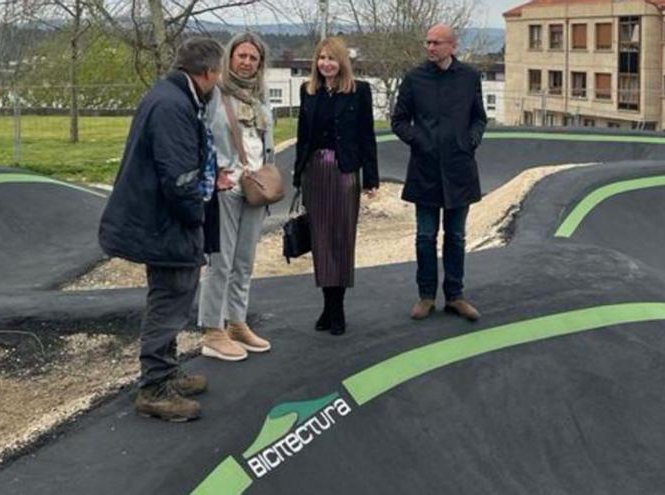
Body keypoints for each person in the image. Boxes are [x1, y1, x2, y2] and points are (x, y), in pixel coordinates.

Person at [98, 37, 224, 422]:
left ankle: (167, 370)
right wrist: (195, 217)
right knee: (170, 298)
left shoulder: (170, 96)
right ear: (207, 73)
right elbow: (180, 176)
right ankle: (154, 387)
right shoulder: (173, 106)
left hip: (161, 218)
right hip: (166, 223)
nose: (218, 81)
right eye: (218, 74)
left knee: (173, 295)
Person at [391, 24, 487, 322]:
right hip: (425, 171)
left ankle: (455, 296)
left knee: (456, 237)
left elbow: (479, 118)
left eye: (436, 42)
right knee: (425, 236)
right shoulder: (414, 79)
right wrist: (419, 141)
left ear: (452, 46)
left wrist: (470, 142)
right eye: (428, 42)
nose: (430, 47)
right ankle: (426, 296)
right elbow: (398, 120)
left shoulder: (470, 77)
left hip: (460, 170)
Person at [294, 36, 379, 336]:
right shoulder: (308, 91)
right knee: (320, 240)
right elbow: (303, 135)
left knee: (341, 238)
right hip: (315, 171)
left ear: (342, 61)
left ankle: (338, 308)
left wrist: (371, 178)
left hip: (344, 171)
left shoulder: (359, 91)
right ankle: (326, 305)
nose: (326, 63)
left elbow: (367, 136)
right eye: (321, 58)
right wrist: (297, 175)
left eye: (332, 58)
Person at [198, 32, 274, 361]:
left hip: (255, 187)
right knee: (221, 262)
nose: (246, 62)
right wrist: (211, 173)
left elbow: (263, 138)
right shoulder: (214, 94)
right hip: (226, 187)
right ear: (230, 58)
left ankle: (237, 322)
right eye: (241, 55)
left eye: (253, 58)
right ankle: (212, 329)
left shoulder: (260, 98)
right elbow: (199, 134)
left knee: (244, 261)